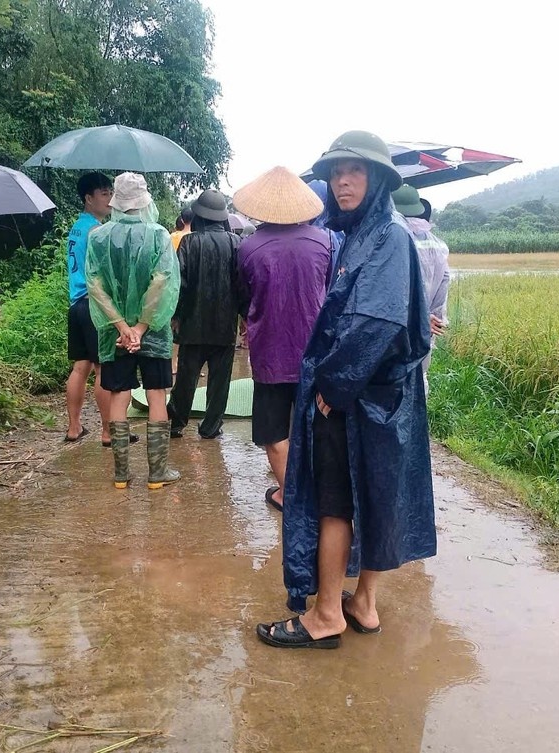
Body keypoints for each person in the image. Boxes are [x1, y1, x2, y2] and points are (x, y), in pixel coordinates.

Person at [256, 130, 435, 649]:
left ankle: (327, 613)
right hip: (375, 395)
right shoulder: (359, 234)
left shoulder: (387, 236)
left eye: (355, 171)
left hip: (364, 395)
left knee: (336, 502)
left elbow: (375, 324)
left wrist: (334, 385)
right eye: (336, 172)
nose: (343, 181)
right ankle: (363, 602)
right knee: (373, 495)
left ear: (377, 178)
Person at [233, 166, 332, 513]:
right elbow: (330, 292)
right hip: (316, 354)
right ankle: (316, 493)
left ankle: (290, 495)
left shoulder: (247, 249)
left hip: (270, 354)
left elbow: (243, 301)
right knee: (314, 426)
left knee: (274, 431)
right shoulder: (325, 242)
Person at [86, 172, 181, 489]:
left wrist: (122, 328)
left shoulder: (98, 237)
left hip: (114, 334)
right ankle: (157, 474)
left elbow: (95, 286)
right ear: (144, 200)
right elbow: (162, 282)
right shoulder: (158, 235)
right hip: (151, 330)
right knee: (156, 394)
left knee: (119, 394)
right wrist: (141, 327)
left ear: (115, 200)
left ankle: (121, 474)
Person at [65, 172, 134, 447]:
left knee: (80, 367)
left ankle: (74, 428)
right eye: (104, 193)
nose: (109, 199)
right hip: (94, 305)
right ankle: (108, 432)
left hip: (76, 303)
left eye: (110, 193)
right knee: (103, 367)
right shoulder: (97, 231)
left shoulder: (77, 228)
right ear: (88, 198)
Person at [167, 189, 241, 440]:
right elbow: (242, 285)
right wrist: (244, 318)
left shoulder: (189, 242)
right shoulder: (235, 243)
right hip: (225, 326)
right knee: (220, 382)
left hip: (192, 325)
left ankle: (176, 423)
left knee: (186, 379)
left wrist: (176, 316)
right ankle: (210, 427)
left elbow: (180, 283)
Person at [392, 185, 450, 394]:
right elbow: (443, 285)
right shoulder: (439, 245)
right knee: (419, 378)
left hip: (399, 326)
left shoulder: (394, 239)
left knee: (394, 385)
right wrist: (433, 318)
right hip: (427, 328)